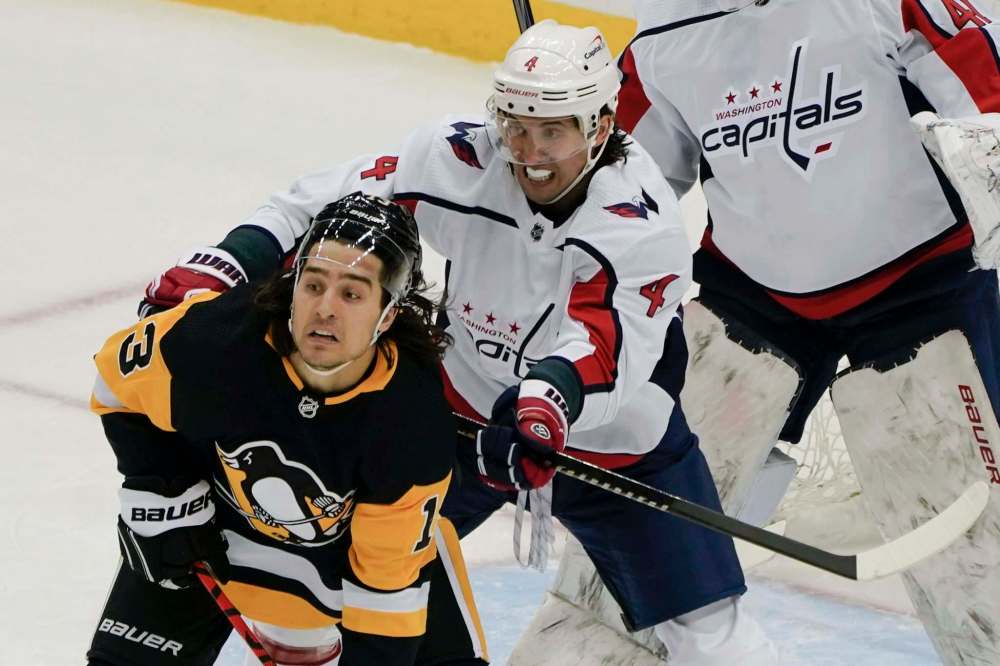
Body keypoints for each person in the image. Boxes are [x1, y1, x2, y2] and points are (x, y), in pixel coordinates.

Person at [138, 19, 777, 665]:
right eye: (517, 125)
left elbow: (606, 349)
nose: (528, 151)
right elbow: (324, 206)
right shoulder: (460, 158)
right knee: (345, 556)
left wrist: (542, 408)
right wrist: (225, 263)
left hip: (613, 445)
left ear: (600, 126)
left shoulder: (637, 221)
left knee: (707, 632)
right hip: (459, 417)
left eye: (551, 130)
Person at [616, 0, 1000, 663]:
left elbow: (986, 98)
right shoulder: (662, 39)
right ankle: (662, 635)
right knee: (669, 482)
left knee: (971, 529)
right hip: (755, 289)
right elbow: (625, 193)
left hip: (925, 276)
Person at [87, 193, 488, 666]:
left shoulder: (409, 420)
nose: (326, 309)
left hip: (348, 564)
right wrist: (160, 488)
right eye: (313, 285)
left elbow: (383, 587)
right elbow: (116, 382)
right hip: (210, 532)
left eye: (353, 293)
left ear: (388, 313)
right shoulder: (218, 341)